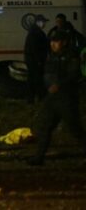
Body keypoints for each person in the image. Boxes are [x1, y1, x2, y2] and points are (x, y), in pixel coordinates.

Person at [27, 29, 86, 166]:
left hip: (67, 98)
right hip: (52, 98)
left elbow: (73, 74)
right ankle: (39, 157)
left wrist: (59, 84)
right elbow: (47, 74)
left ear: (64, 42)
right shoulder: (51, 56)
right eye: (52, 42)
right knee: (45, 127)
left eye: (56, 41)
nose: (53, 44)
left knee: (75, 129)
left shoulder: (71, 56)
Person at [24, 14, 50, 104]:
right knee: (37, 80)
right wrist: (39, 60)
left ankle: (31, 99)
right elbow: (35, 48)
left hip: (32, 61)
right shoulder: (36, 33)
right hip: (36, 61)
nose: (44, 24)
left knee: (32, 80)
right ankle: (39, 97)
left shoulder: (34, 32)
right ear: (38, 22)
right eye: (43, 22)